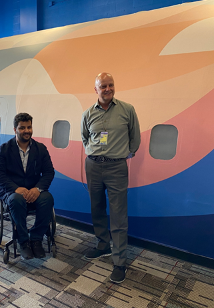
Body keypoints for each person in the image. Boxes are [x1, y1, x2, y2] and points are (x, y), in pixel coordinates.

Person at [81, 72, 140, 283]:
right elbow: (84, 137)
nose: (108, 89)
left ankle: (120, 262)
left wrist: (125, 154)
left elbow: (135, 138)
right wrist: (92, 152)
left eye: (110, 85)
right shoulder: (88, 114)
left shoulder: (127, 110)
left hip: (116, 167)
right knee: (96, 207)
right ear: (95, 90)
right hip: (93, 166)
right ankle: (103, 245)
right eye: (103, 86)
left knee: (118, 215)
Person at [0, 113, 55, 260]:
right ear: (15, 129)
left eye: (29, 127)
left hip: (35, 190)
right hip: (11, 191)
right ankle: (23, 241)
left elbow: (49, 172)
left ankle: (36, 239)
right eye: (22, 128)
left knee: (47, 199)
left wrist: (37, 189)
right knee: (16, 200)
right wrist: (16, 188)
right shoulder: (4, 150)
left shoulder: (41, 149)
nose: (26, 130)